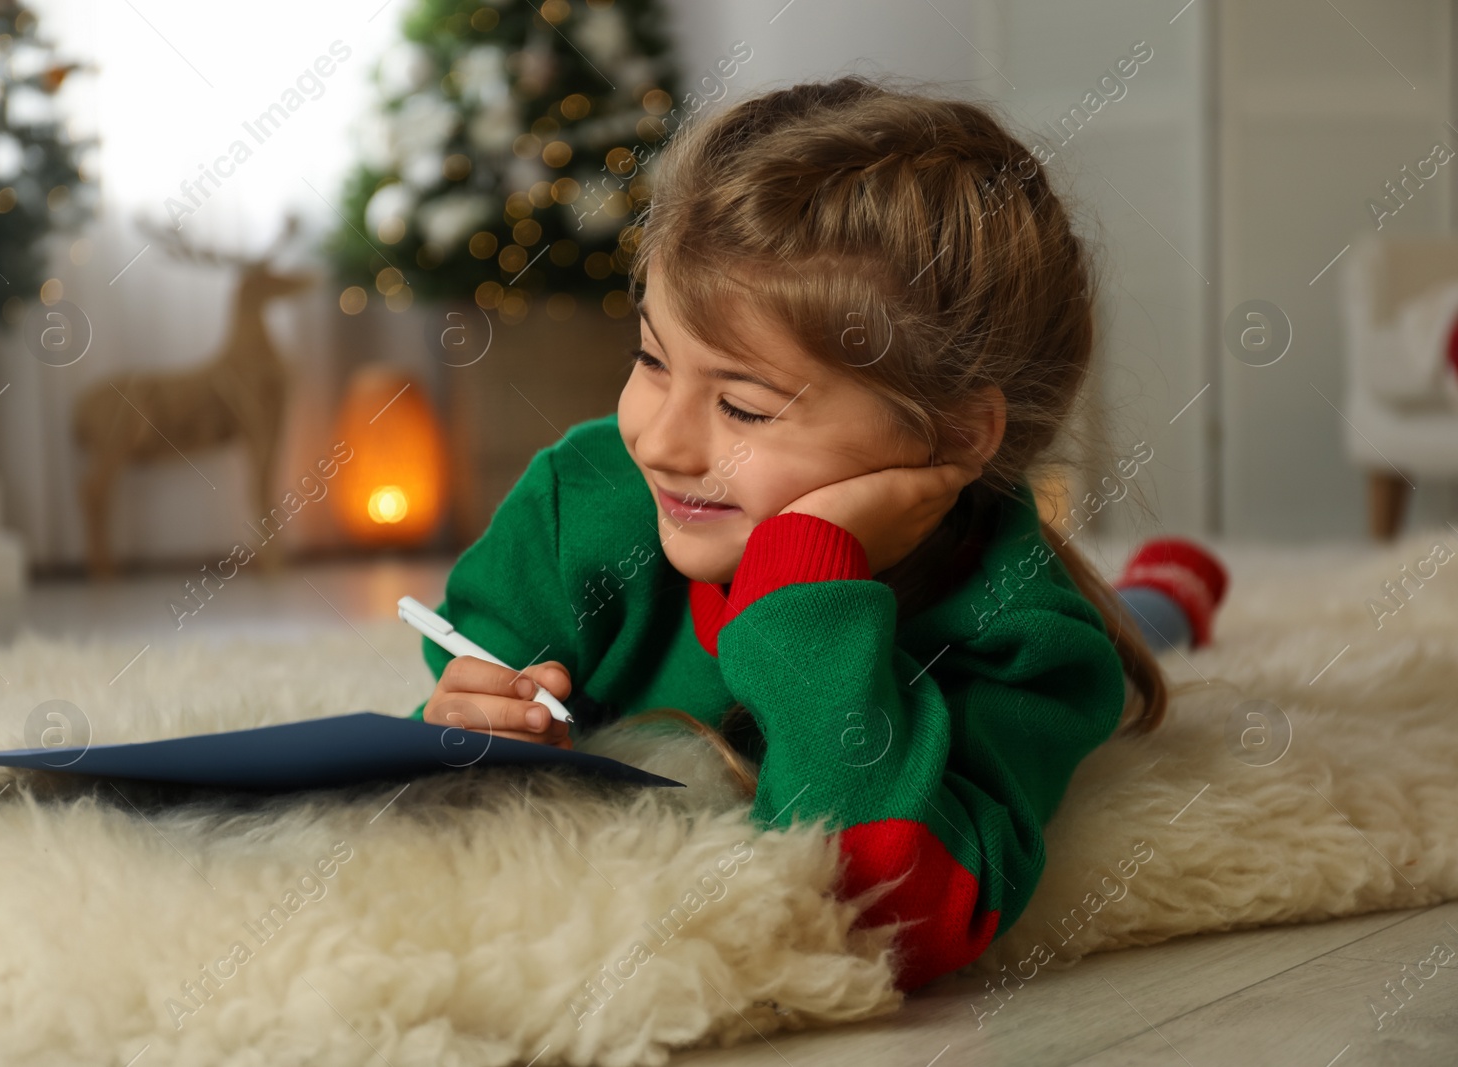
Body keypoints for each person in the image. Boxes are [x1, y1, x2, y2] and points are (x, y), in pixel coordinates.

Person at [409, 76, 1226, 993]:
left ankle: (1168, 592)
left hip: (1016, 617)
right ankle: (1162, 590)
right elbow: (455, 707)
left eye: (743, 407)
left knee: (1135, 637)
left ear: (952, 437)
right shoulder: (585, 496)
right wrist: (471, 721)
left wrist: (804, 580)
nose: (661, 440)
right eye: (650, 357)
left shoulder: (1026, 636)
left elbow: (895, 916)